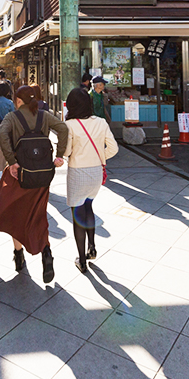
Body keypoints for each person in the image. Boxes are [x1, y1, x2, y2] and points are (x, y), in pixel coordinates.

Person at [0, 85, 68, 284]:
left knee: (13, 213)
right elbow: (63, 128)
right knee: (38, 214)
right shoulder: (44, 116)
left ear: (19, 101)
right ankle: (46, 253)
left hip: (19, 175)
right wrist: (59, 155)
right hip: (42, 175)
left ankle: (18, 255)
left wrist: (12, 161)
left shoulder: (12, 118)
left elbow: (2, 134)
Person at [63, 88, 119, 273]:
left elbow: (66, 152)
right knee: (89, 207)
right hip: (96, 172)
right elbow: (113, 148)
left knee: (78, 214)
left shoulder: (70, 125)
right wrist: (100, 158)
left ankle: (82, 259)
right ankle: (92, 246)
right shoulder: (101, 122)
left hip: (78, 172)